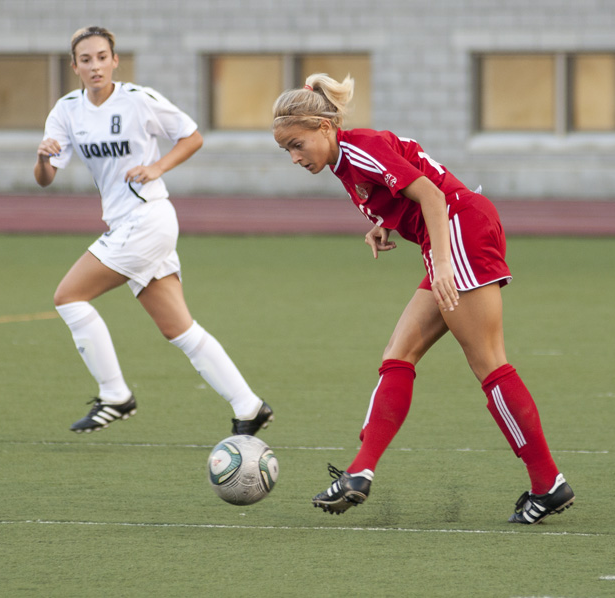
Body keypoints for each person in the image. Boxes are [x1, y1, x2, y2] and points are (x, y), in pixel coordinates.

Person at [272, 73, 574, 524]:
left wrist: (446, 264)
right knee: (399, 353)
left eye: (297, 144)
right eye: (286, 150)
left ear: (323, 127)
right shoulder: (344, 161)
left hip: (458, 230)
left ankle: (548, 484)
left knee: (489, 362)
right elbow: (406, 187)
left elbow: (432, 195)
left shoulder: (359, 147)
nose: (294, 157)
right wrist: (386, 223)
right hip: (452, 235)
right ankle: (359, 472)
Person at [34, 26, 273, 436]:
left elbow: (191, 135)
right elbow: (45, 178)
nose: (95, 66)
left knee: (68, 296)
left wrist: (157, 167)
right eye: (86, 59)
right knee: (179, 329)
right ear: (74, 66)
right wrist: (42, 158)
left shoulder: (138, 100)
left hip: (148, 219)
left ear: (115, 60)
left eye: (102, 57)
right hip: (129, 224)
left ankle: (115, 396)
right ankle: (249, 406)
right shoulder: (66, 110)